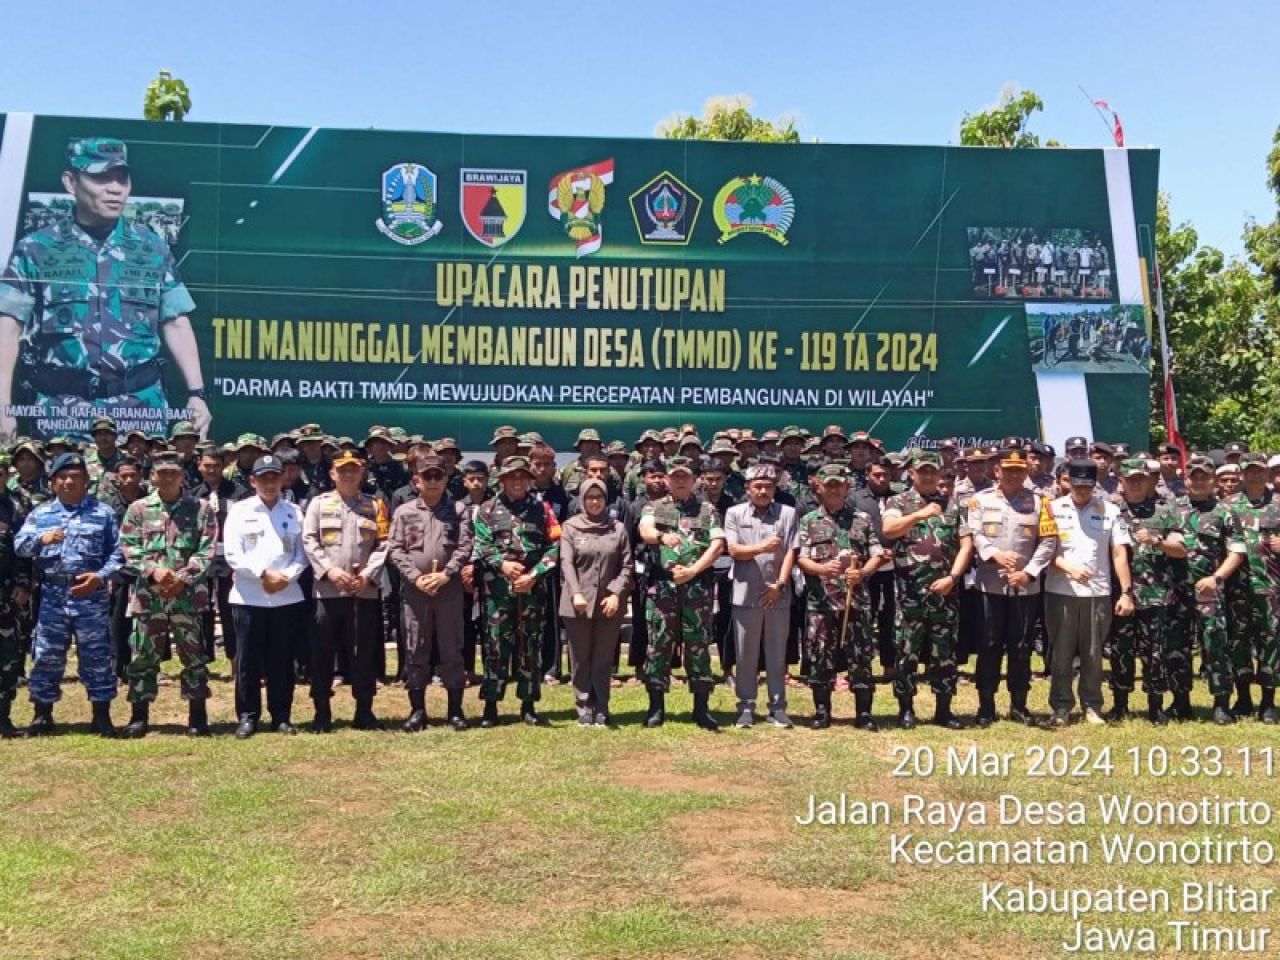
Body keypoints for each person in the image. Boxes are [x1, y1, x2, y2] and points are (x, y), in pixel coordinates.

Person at [0, 137, 209, 441]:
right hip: (62, 415)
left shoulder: (151, 246)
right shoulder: (36, 249)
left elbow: (176, 322)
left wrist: (197, 393)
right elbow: (7, 327)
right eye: (100, 177)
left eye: (121, 178)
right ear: (71, 182)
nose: (114, 188)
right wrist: (2, 403)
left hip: (139, 416)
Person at [14, 452, 123, 736]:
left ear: (86, 481)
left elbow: (119, 553)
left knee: (97, 655)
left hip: (91, 595)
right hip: (52, 593)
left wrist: (100, 577)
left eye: (75, 477)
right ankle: (42, 715)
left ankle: (101, 716)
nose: (68, 482)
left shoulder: (103, 513)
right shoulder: (41, 514)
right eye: (62, 477)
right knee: (47, 654)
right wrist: (40, 539)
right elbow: (19, 547)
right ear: (52, 483)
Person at [118, 451, 217, 737]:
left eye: (173, 472)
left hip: (187, 595)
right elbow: (129, 546)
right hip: (149, 596)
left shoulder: (200, 508)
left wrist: (183, 578)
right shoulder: (138, 509)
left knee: (194, 656)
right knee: (142, 656)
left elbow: (207, 547)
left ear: (183, 476)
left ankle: (197, 717)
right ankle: (139, 716)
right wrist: (154, 572)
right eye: (162, 473)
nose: (168, 477)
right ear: (152, 477)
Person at [966, 449, 1058, 727]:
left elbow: (1048, 541)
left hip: (1024, 588)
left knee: (1021, 646)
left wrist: (1029, 573)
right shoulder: (980, 500)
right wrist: (995, 555)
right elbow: (975, 534)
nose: (1014, 474)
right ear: (997, 472)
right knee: (989, 645)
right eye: (1008, 470)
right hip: (989, 585)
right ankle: (986, 705)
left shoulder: (1041, 502)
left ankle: (1019, 705)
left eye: (1019, 469)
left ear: (1026, 472)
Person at [882, 451, 972, 730]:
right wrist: (921, 513)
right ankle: (906, 709)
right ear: (912, 473)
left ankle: (944, 710)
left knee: (943, 653)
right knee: (906, 653)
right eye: (923, 470)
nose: (928, 475)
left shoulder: (954, 506)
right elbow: (889, 529)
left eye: (933, 471)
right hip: (910, 593)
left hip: (945, 593)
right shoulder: (898, 501)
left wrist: (953, 577)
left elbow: (966, 545)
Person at [302, 450, 390, 731]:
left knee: (363, 652)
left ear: (362, 472)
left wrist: (367, 575)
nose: (349, 474)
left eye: (354, 469)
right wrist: (330, 571)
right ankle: (322, 712)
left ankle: (364, 711)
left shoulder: (375, 505)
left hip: (362, 592)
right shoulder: (318, 504)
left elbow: (384, 544)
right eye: (343, 470)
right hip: (327, 592)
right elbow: (309, 540)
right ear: (332, 474)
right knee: (322, 654)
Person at [1044, 459, 1135, 726]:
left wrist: (1126, 592)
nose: (1082, 490)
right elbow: (1042, 550)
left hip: (1097, 592)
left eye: (1087, 485)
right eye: (1077, 484)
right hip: (1060, 590)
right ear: (1068, 482)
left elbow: (1119, 552)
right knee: (1061, 652)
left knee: (1094, 653)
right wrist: (1067, 567)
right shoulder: (1052, 509)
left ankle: (1092, 706)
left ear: (1094, 484)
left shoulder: (1110, 510)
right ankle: (1061, 706)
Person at [637, 455, 725, 730]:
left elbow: (718, 544)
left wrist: (694, 570)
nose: (680, 480)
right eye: (675, 476)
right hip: (663, 587)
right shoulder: (654, 507)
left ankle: (701, 708)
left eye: (685, 476)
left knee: (698, 645)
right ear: (666, 479)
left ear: (695, 479)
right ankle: (656, 708)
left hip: (696, 587)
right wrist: (662, 537)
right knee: (659, 645)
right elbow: (645, 530)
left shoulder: (707, 509)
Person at [224, 454, 308, 738]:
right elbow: (232, 553)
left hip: (286, 595)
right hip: (249, 596)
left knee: (282, 660)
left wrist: (287, 576)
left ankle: (281, 716)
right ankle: (248, 716)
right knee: (248, 659)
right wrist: (263, 574)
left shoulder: (294, 512)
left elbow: (302, 553)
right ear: (252, 481)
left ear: (283, 479)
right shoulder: (239, 511)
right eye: (264, 478)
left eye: (274, 477)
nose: (270, 483)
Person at [472, 456, 560, 727]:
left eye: (523, 476)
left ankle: (528, 704)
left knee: (530, 647)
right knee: (496, 646)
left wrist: (534, 575)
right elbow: (481, 545)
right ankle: (491, 705)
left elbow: (556, 546)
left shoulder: (542, 509)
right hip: (498, 592)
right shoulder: (486, 509)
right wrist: (503, 565)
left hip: (532, 590)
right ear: (503, 480)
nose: (518, 481)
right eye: (512, 477)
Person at [796, 464, 884, 729]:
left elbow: (877, 553)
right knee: (820, 656)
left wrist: (863, 573)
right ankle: (822, 711)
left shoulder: (863, 519)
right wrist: (821, 568)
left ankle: (864, 713)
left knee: (861, 656)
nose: (834, 489)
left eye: (839, 484)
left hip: (856, 601)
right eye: (829, 484)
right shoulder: (808, 520)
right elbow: (800, 558)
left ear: (847, 487)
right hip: (821, 601)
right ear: (819, 487)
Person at [388, 455, 472, 732]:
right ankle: (417, 710)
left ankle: (455, 710)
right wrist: (416, 577)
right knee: (416, 648)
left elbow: (464, 546)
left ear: (446, 479)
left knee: (452, 648)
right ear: (417, 481)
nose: (433, 481)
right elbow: (396, 548)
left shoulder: (459, 510)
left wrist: (446, 574)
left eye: (438, 476)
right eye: (428, 477)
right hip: (416, 591)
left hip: (449, 589)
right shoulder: (404, 512)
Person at [1107, 458, 1189, 725]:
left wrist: (1157, 540)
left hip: (1156, 595)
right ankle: (1120, 705)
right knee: (1121, 650)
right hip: (1119, 594)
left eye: (1140, 479)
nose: (1135, 483)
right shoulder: (1111, 511)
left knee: (1155, 653)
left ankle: (1156, 706)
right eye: (1130, 479)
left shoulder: (1164, 511)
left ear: (1149, 480)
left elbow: (1181, 549)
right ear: (1121, 481)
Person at [725, 464, 798, 728]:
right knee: (745, 654)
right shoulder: (734, 513)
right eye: (757, 486)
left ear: (775, 488)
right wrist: (762, 547)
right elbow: (734, 550)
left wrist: (780, 583)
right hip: (745, 593)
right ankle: (745, 707)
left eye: (768, 486)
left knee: (777, 654)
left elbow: (792, 551)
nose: (763, 490)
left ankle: (777, 708)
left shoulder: (787, 514)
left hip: (777, 592)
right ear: (747, 489)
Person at [1178, 455, 1248, 725]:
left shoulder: (1224, 512)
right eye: (1194, 476)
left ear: (1212, 482)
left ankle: (1221, 703)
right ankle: (1181, 701)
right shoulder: (1172, 509)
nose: (1198, 481)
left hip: (1210, 590)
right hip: (1178, 591)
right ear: (1187, 480)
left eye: (1204, 477)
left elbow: (1237, 552)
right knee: (1178, 646)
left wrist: (1216, 578)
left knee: (1216, 646)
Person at [558, 478, 632, 726]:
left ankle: (602, 706)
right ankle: (583, 706)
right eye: (589, 497)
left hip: (608, 604)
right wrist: (576, 592)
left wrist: (615, 593)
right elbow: (566, 563)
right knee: (580, 658)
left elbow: (627, 565)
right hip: (577, 602)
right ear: (582, 500)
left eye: (599, 497)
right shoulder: (571, 527)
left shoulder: (617, 528)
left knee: (603, 658)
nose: (594, 502)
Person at [0, 453, 29, 737]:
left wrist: (22, 583)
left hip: (6, 594)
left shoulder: (15, 506)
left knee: (8, 658)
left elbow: (23, 551)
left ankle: (4, 717)